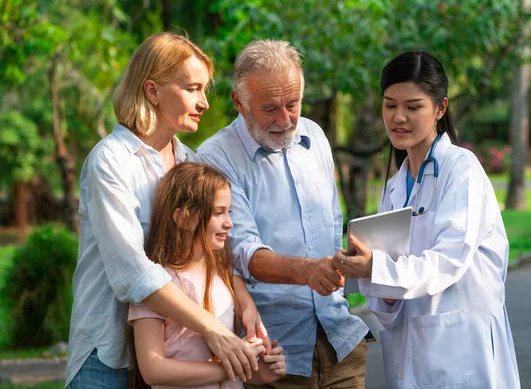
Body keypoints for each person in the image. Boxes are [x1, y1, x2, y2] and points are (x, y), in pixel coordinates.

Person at [65, 32, 268, 389]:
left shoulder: (189, 162)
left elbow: (211, 252)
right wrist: (212, 328)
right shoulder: (110, 161)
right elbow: (133, 274)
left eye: (205, 89)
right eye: (192, 88)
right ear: (152, 90)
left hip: (174, 355)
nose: (204, 101)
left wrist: (244, 304)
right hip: (108, 356)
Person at [332, 51, 521, 389]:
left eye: (413, 106)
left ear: (440, 108)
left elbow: (448, 260)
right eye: (389, 105)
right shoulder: (394, 187)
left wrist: (376, 267)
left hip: (462, 347)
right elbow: (388, 295)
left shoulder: (462, 170)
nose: (398, 117)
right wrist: (376, 280)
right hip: (410, 350)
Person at [196, 39, 368, 389]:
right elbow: (238, 251)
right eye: (270, 108)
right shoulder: (215, 157)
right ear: (239, 103)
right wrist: (307, 272)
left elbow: (331, 222)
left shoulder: (315, 137)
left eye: (293, 104)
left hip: (339, 338)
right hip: (272, 352)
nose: (286, 120)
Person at [128, 162, 286, 388]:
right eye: (218, 213)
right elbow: (153, 369)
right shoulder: (157, 286)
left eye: (228, 212)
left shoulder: (224, 278)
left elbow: (231, 371)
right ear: (182, 217)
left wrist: (257, 369)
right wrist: (229, 367)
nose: (229, 223)